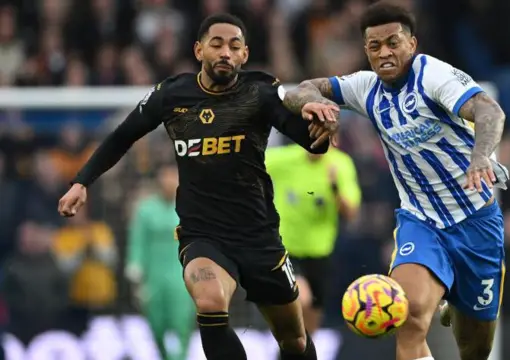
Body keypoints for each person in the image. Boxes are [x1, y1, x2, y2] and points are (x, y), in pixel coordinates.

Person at [58, 13, 332, 360]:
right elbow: (122, 136)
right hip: (202, 232)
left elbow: (309, 141)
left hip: (258, 234)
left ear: (245, 54)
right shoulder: (173, 95)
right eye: (216, 44)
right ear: (198, 49)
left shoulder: (260, 91)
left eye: (234, 46)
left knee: (293, 340)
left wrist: (322, 129)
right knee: (209, 300)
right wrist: (82, 181)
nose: (225, 53)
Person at [282, 2, 509, 360]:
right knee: (410, 316)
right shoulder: (364, 87)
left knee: (476, 348)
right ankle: (439, 291)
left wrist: (480, 155)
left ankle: (455, 294)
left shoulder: (432, 75)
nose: (385, 52)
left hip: (476, 222)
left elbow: (488, 109)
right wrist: (315, 104)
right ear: (366, 51)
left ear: (412, 44)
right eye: (374, 46)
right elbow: (300, 89)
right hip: (421, 222)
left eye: (393, 42)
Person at [265, 144, 362, 334]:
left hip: (320, 252)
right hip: (286, 249)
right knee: (302, 299)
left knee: (312, 324)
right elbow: (249, 162)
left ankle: (291, 352)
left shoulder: (340, 164)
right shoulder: (285, 158)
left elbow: (351, 213)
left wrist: (334, 187)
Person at [126, 163, 194, 360]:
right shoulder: (146, 210)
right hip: (153, 278)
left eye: (173, 176)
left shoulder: (189, 209)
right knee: (156, 326)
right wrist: (135, 272)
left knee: (181, 324)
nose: (169, 181)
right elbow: (137, 241)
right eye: (165, 176)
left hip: (181, 279)